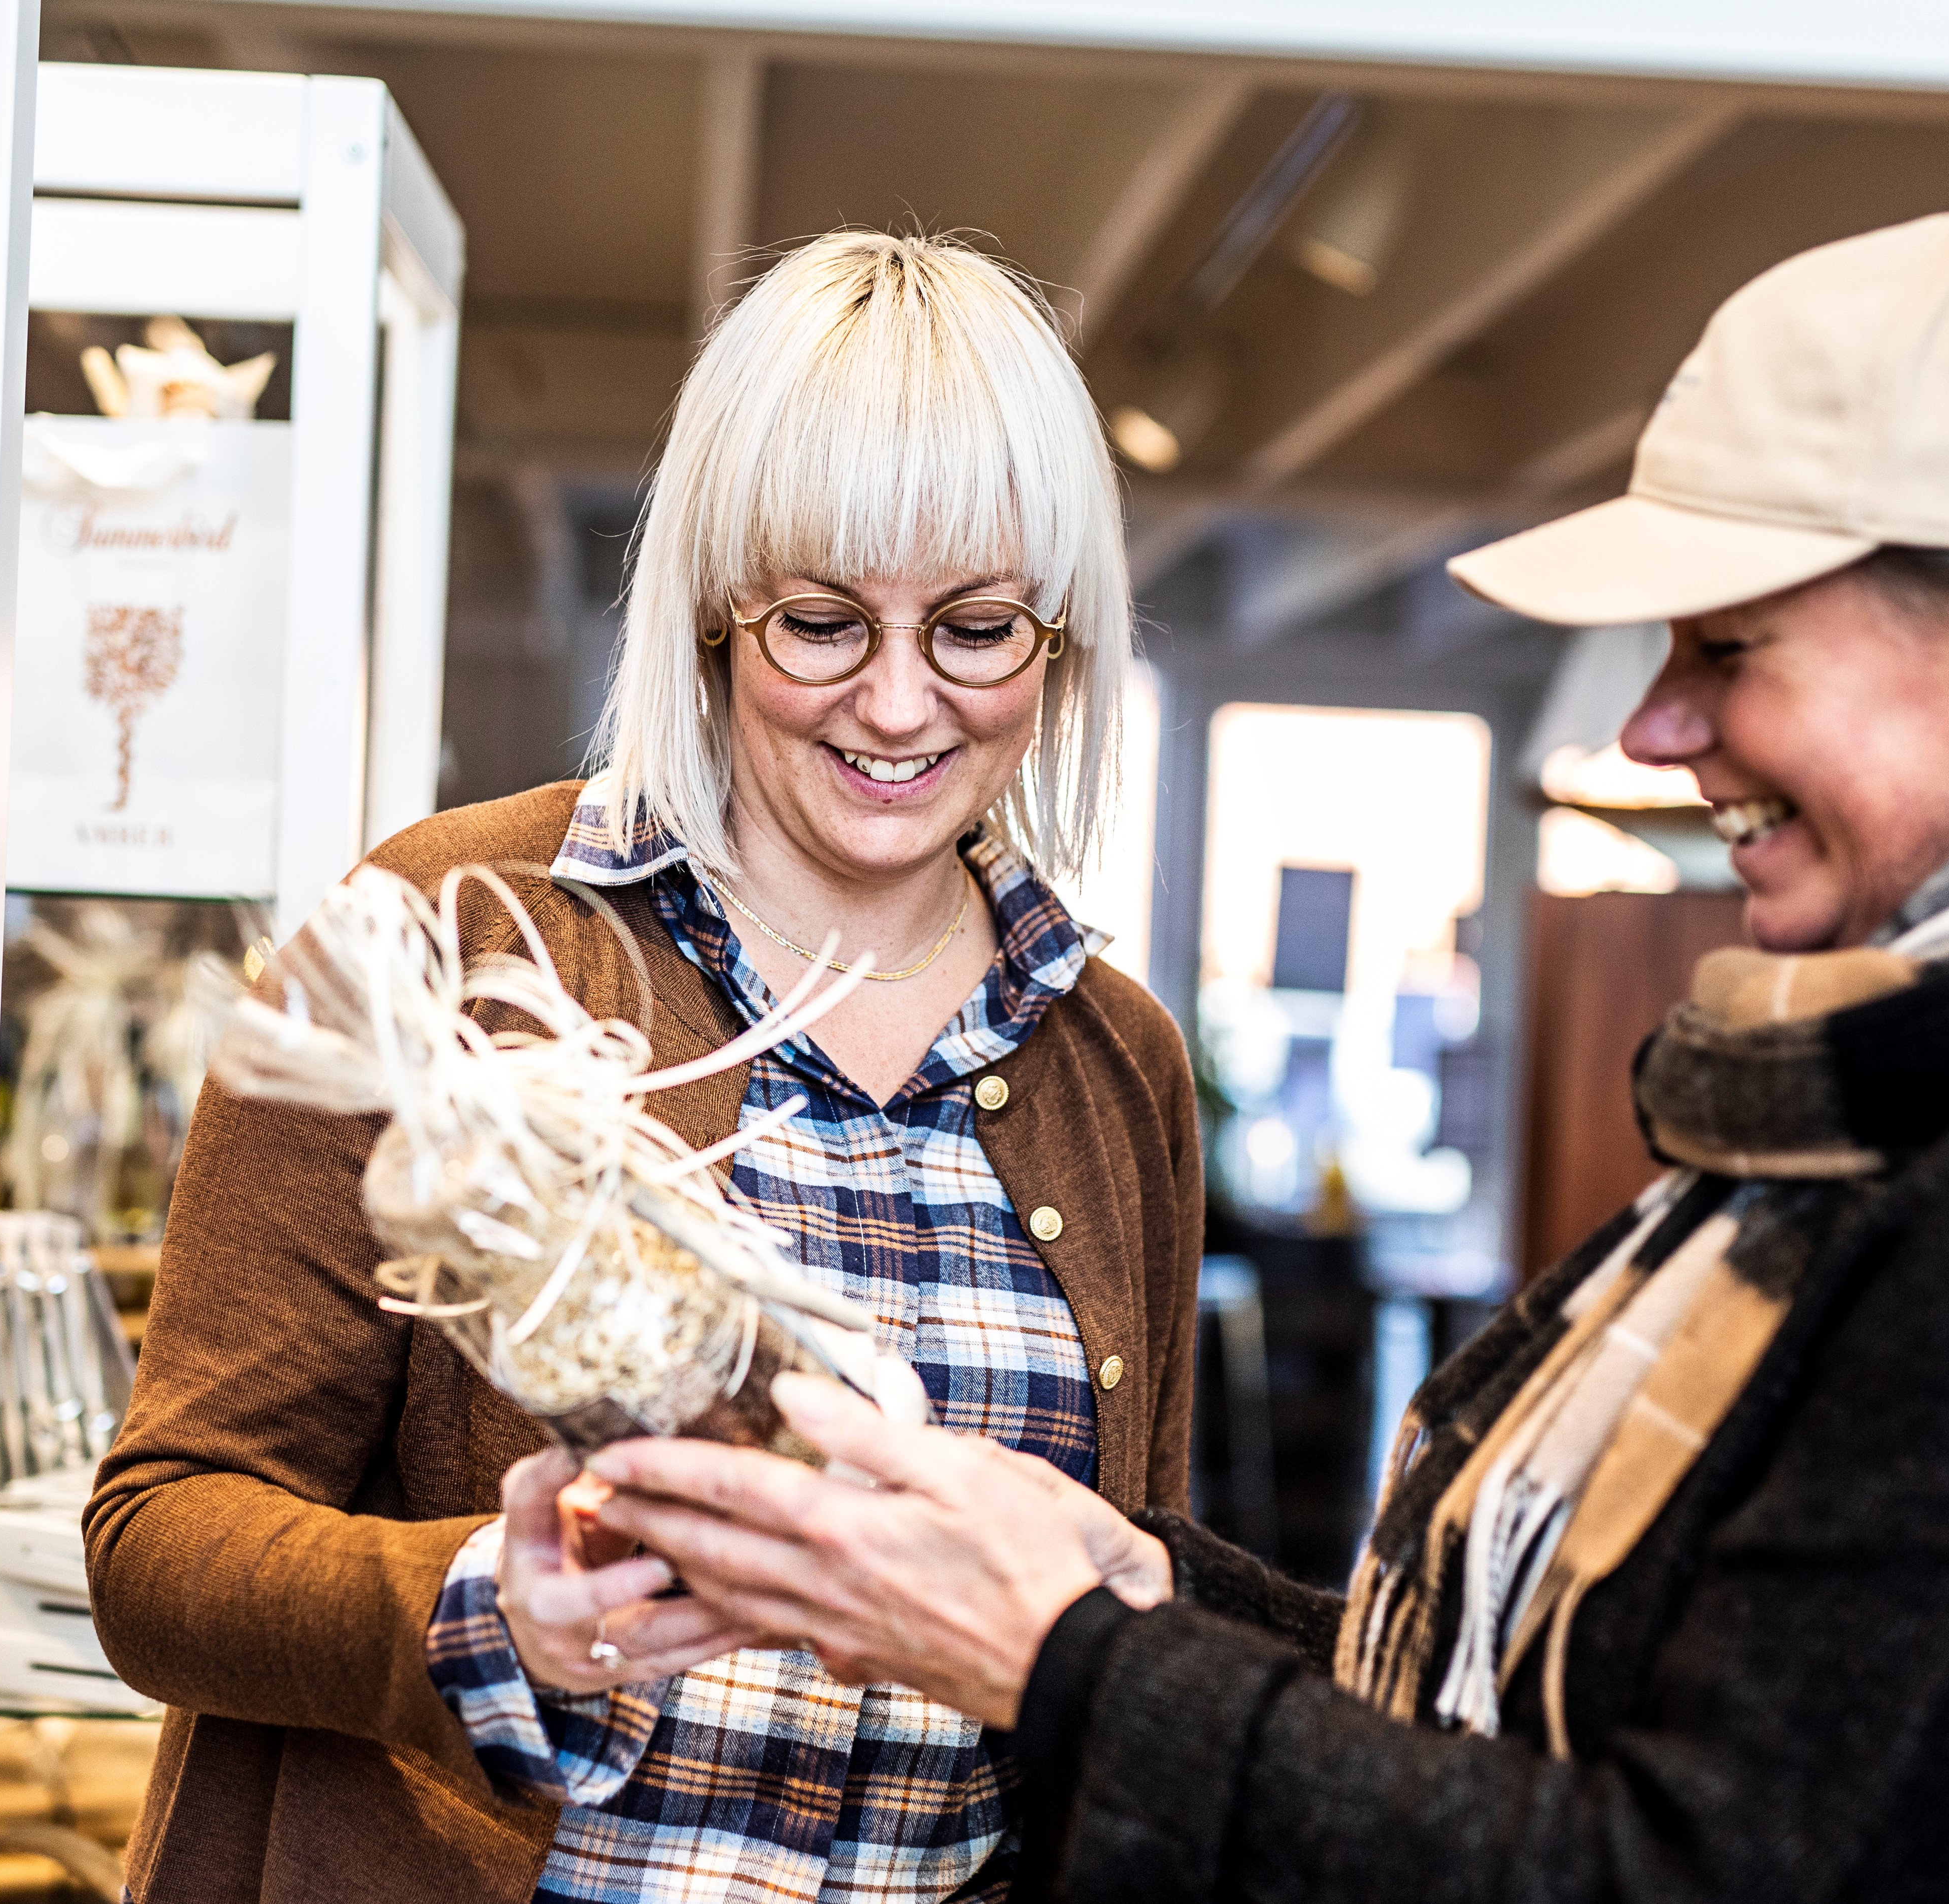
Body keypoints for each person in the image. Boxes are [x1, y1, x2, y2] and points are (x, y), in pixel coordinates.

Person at [583, 200, 1949, 1902]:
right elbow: (1546, 1738)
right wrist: (1144, 1584)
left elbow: (1666, 1870)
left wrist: (1074, 1662)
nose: (1657, 728)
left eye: (1730, 649)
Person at [83, 230, 1204, 1904]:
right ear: (712, 611)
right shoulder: (445, 937)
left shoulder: (1117, 1063)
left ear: (1061, 637)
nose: (902, 705)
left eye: (977, 630)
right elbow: (161, 1536)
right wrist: (488, 1608)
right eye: (821, 622)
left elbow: (1128, 1611)